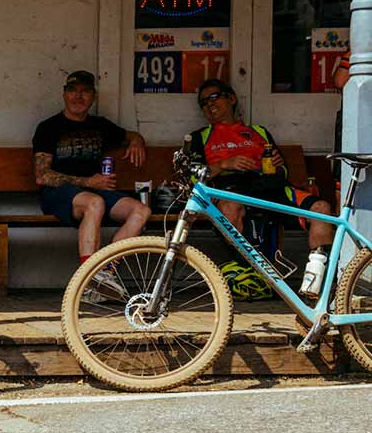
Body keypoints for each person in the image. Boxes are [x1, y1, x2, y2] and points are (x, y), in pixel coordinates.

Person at [183, 77, 335, 295]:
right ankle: (252, 270)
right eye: (204, 102)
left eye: (215, 97)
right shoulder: (200, 136)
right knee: (228, 208)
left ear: (232, 99)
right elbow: (193, 176)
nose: (209, 104)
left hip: (272, 188)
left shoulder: (259, 131)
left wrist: (278, 165)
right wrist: (225, 164)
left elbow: (282, 171)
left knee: (322, 209)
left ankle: (318, 284)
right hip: (232, 189)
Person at [31, 70, 150, 300]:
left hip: (96, 192)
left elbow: (131, 135)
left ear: (93, 96)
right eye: (73, 91)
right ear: (64, 94)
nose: (79, 96)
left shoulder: (100, 125)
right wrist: (88, 181)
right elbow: (42, 176)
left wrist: (137, 141)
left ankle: (105, 273)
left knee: (141, 211)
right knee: (94, 203)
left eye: (85, 91)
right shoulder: (49, 128)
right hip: (59, 194)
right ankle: (87, 278)